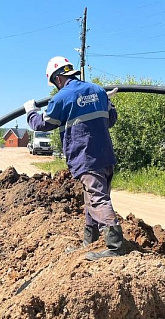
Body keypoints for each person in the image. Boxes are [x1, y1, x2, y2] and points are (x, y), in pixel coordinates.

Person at [23, 56, 123, 261]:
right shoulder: (98, 91)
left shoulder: (62, 97)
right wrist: (107, 101)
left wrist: (31, 112)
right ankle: (89, 242)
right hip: (105, 156)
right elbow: (111, 119)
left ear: (57, 79)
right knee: (91, 198)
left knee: (97, 198)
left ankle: (114, 246)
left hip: (86, 157)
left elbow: (42, 124)